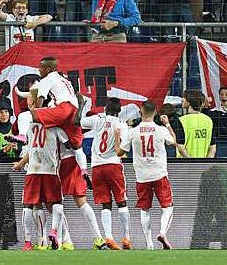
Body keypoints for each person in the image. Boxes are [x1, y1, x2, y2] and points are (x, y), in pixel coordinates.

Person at [114, 101, 187, 250]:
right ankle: (162, 233)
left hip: (141, 176)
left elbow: (119, 153)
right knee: (168, 207)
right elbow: (174, 142)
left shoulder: (132, 131)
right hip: (159, 174)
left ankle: (149, 244)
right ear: (155, 113)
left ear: (140, 113)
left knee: (144, 209)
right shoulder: (160, 130)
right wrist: (167, 124)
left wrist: (117, 137)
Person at [12, 89, 68, 250]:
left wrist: (21, 163)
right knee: (55, 202)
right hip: (50, 168)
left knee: (32, 204)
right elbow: (68, 142)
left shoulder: (27, 120)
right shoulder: (55, 120)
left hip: (34, 168)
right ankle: (56, 235)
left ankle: (36, 241)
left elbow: (30, 147)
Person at [29, 57, 90, 187]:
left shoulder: (47, 79)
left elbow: (40, 97)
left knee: (36, 118)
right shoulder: (64, 79)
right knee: (78, 148)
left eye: (41, 67)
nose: (39, 69)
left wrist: (37, 112)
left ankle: (62, 139)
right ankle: (84, 170)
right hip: (73, 111)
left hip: (63, 109)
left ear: (48, 69)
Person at [81, 97, 132, 250]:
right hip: (114, 165)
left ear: (105, 109)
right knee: (121, 201)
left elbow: (79, 122)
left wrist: (81, 104)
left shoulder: (96, 119)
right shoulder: (122, 125)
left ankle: (108, 236)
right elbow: (121, 149)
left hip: (97, 166)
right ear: (119, 111)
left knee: (106, 204)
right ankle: (126, 237)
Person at [175, 89, 216, 158]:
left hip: (184, 165)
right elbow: (212, 146)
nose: (182, 100)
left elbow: (180, 146)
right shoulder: (208, 120)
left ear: (189, 102)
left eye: (184, 98)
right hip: (203, 165)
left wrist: (191, 162)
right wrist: (208, 162)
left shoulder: (182, 120)